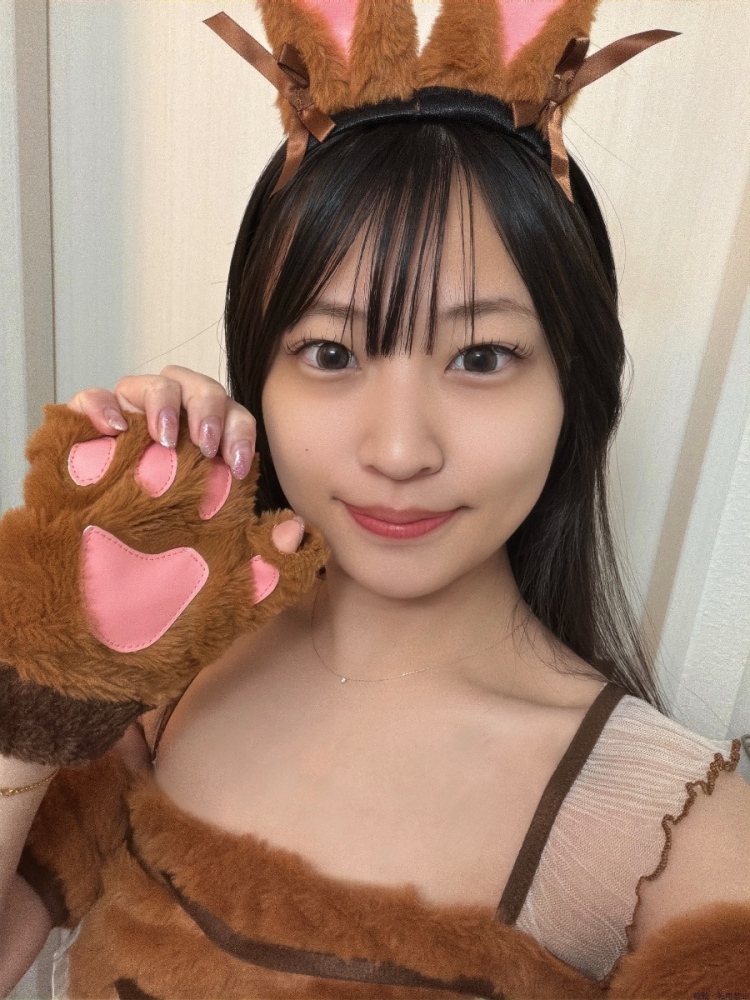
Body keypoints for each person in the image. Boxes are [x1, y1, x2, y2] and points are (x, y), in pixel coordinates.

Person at [1, 4, 749, 998]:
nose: (399, 450)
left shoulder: (673, 850)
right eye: (330, 352)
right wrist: (48, 674)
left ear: (577, 388)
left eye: (482, 357)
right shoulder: (170, 681)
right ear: (257, 375)